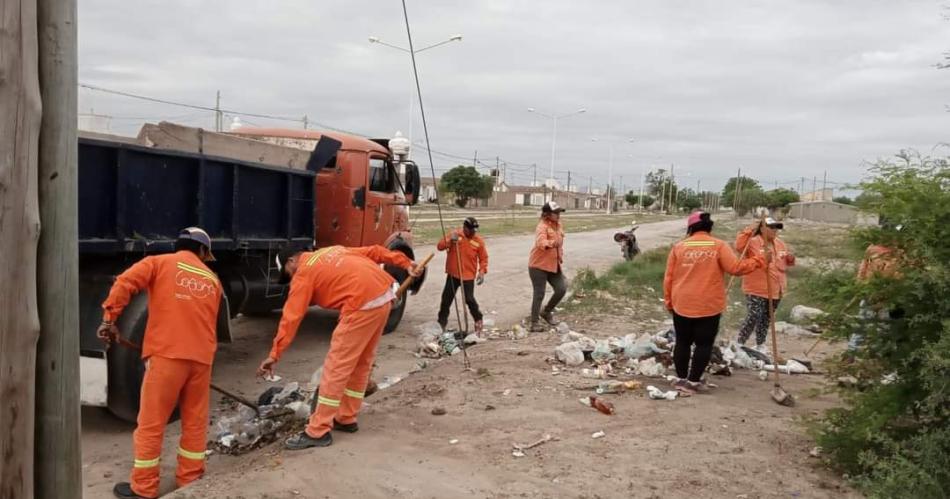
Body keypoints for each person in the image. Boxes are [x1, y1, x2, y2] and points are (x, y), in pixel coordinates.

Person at [97, 227, 222, 499]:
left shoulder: (159, 263)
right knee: (194, 421)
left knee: (152, 422)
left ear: (179, 246)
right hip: (201, 360)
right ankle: (190, 479)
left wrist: (109, 320)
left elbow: (124, 284)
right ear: (202, 251)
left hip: (167, 357)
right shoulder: (212, 279)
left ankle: (144, 487)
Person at [257, 245, 421, 450]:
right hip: (383, 297)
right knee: (361, 362)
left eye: (287, 275)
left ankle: (318, 431)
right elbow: (376, 251)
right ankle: (346, 417)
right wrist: (406, 262)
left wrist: (274, 354)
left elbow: (291, 318)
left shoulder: (303, 273)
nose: (290, 279)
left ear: (291, 261)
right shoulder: (332, 251)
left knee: (337, 367)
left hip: (361, 304)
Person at [663, 212, 764, 394]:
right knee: (704, 344)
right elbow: (735, 268)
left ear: (691, 227)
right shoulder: (718, 246)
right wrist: (759, 260)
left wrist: (669, 301)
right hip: (708, 305)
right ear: (709, 227)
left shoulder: (679, 247)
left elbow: (669, 278)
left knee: (683, 342)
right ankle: (693, 382)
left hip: (682, 302)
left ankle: (681, 379)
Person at [735, 218, 795, 353]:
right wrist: (750, 229)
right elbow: (738, 246)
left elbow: (783, 263)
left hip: (776, 289)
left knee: (767, 318)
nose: (775, 230)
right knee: (753, 316)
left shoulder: (780, 243)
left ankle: (760, 344)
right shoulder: (752, 242)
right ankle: (739, 343)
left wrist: (790, 259)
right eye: (771, 227)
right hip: (756, 288)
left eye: (776, 228)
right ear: (762, 228)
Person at [436, 217, 489, 333]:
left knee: (469, 299)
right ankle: (441, 323)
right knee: (446, 299)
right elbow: (440, 246)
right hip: (453, 275)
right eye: (471, 230)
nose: (474, 232)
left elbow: (484, 258)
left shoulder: (478, 241)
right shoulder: (455, 236)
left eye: (475, 230)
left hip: (468, 276)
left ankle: (478, 319)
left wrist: (481, 271)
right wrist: (450, 240)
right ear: (465, 228)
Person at [528, 201, 567, 332]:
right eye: (555, 213)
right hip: (538, 265)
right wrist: (551, 243)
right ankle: (534, 323)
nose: (558, 215)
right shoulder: (542, 226)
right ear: (547, 214)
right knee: (539, 293)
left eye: (559, 212)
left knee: (561, 288)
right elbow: (540, 242)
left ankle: (546, 312)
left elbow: (560, 242)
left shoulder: (559, 225)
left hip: (553, 264)